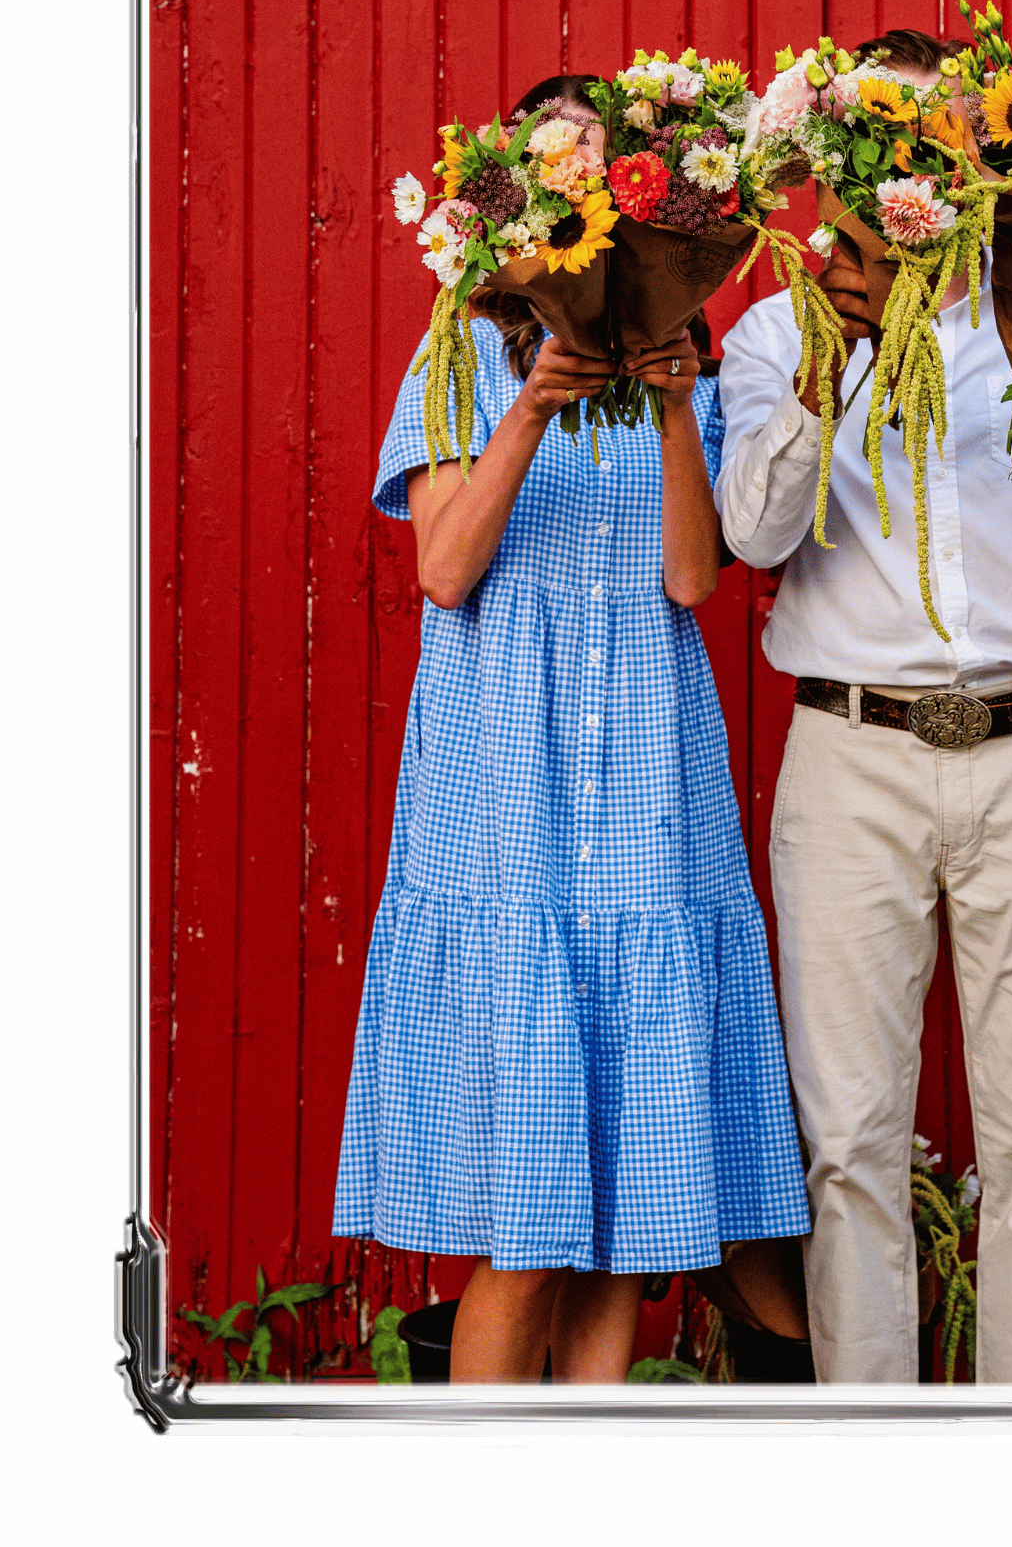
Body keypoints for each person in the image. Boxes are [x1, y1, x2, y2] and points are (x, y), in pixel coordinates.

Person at [716, 28, 1012, 1386]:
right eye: (885, 144)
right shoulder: (778, 330)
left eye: (936, 144)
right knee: (849, 1141)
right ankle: (871, 1451)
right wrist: (835, 360)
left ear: (978, 161)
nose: (911, 172)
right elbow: (753, 535)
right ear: (839, 164)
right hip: (851, 753)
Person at [334, 75, 810, 1383]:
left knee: (620, 1219)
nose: (578, 194)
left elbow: (692, 579)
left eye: (599, 169)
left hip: (647, 783)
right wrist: (533, 404)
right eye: (556, 169)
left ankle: (589, 1458)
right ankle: (483, 1477)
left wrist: (674, 397)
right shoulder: (459, 352)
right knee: (524, 1226)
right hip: (508, 786)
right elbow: (445, 570)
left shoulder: (688, 364)